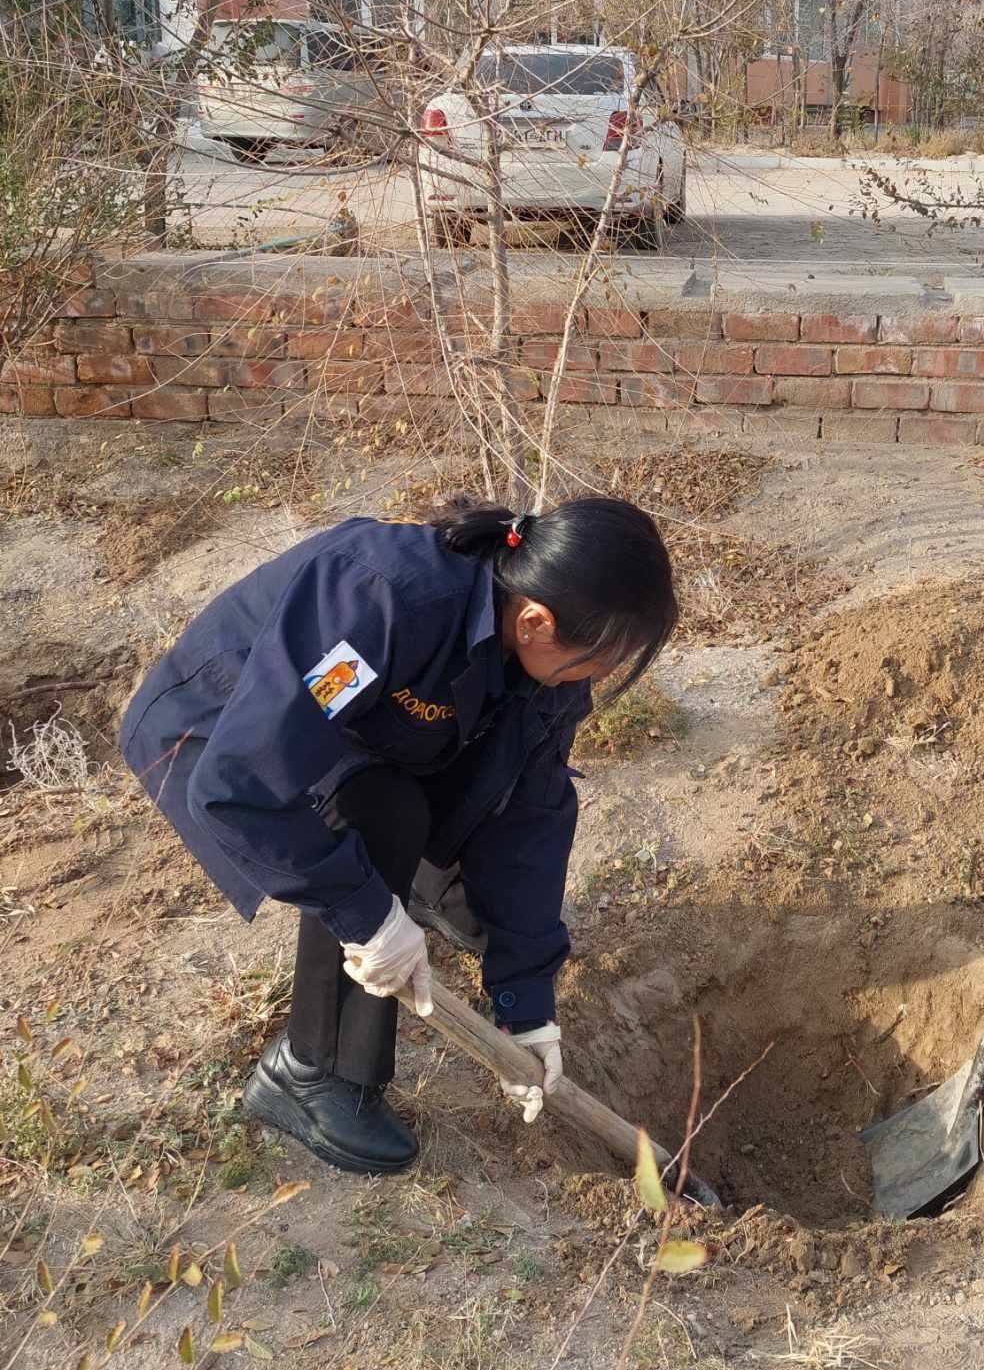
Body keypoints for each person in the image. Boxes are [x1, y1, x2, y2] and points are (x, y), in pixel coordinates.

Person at [120, 497, 677, 1176]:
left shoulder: (544, 667)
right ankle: (312, 1069)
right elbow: (242, 781)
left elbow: (533, 817)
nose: (603, 675)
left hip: (376, 729)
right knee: (379, 812)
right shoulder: (382, 599)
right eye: (602, 658)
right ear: (536, 620)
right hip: (220, 731)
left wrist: (524, 1002)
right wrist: (365, 917)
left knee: (488, 787)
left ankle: (421, 889)